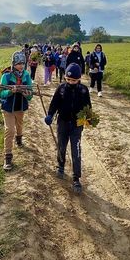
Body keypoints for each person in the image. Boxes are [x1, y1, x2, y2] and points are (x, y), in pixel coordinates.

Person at [44, 63, 92, 194]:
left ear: (79, 79)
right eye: (68, 79)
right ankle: (60, 166)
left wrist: (88, 118)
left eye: (74, 80)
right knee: (61, 146)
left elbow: (88, 106)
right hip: (63, 123)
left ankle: (76, 178)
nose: (70, 82)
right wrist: (50, 115)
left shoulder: (83, 90)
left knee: (76, 151)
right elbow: (54, 104)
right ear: (65, 77)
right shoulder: (61, 89)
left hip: (77, 125)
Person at [0, 51, 33, 171]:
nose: (21, 66)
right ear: (13, 64)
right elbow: (1, 94)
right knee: (10, 130)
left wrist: (26, 93)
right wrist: (10, 92)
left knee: (19, 126)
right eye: (18, 63)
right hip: (7, 108)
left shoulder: (26, 75)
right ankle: (7, 157)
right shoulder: (6, 76)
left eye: (22, 63)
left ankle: (19, 138)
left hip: (20, 108)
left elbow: (30, 95)